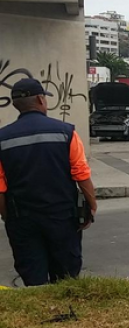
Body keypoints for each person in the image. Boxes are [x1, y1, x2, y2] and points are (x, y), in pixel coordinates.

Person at [0, 78, 97, 286]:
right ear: (41, 100)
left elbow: (0, 189)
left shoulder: (2, 138)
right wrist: (91, 207)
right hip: (61, 217)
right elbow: (81, 176)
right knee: (66, 278)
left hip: (22, 219)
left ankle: (40, 314)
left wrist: (8, 218)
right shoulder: (66, 132)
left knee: (33, 277)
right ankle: (65, 313)